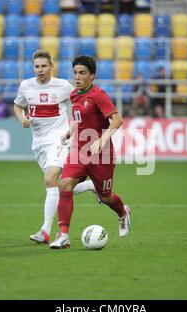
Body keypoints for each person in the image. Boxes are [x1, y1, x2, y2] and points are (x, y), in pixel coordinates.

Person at [13, 50, 97, 245]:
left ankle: (45, 231)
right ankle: (92, 186)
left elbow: (82, 101)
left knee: (50, 178)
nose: (40, 70)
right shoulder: (26, 86)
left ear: (52, 67)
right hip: (39, 143)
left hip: (59, 140)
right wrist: (21, 118)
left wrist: (80, 127)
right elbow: (18, 106)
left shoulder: (63, 86)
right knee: (58, 187)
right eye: (36, 66)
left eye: (44, 66)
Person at [49, 55, 131, 249]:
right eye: (75, 73)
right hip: (79, 150)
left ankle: (122, 212)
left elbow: (118, 119)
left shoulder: (98, 95)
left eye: (82, 73)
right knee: (65, 184)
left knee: (105, 197)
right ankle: (63, 235)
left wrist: (102, 140)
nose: (77, 77)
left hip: (101, 155)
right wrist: (69, 133)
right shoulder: (74, 95)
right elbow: (78, 120)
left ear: (92, 76)